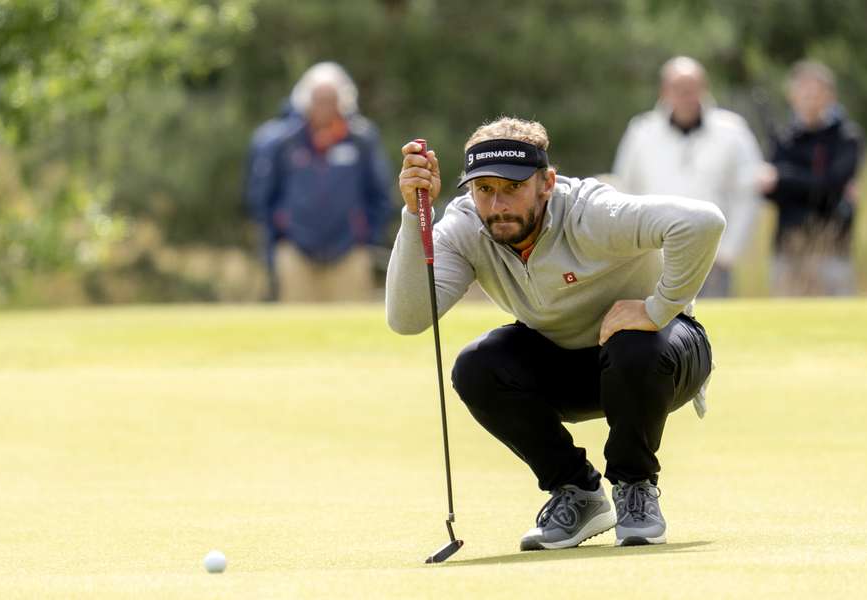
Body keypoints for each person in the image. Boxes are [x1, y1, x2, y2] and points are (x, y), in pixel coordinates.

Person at [387, 117, 724, 550]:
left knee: (634, 345)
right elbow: (408, 317)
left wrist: (657, 309)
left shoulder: (591, 212)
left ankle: (635, 487)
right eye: (484, 189)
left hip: (662, 357)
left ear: (546, 182)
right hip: (571, 365)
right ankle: (578, 493)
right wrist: (417, 217)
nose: (498, 205)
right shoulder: (468, 227)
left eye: (512, 188)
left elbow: (702, 222)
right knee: (477, 365)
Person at [613, 56, 764, 297]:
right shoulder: (641, 132)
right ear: (664, 91)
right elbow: (624, 192)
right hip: (653, 259)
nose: (686, 96)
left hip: (713, 260)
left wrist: (729, 252)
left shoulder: (733, 131)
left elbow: (747, 194)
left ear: (704, 89)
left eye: (692, 89)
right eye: (678, 89)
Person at [244, 62, 392, 302]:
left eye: (330, 99)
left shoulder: (361, 140)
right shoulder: (283, 142)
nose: (324, 107)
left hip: (349, 253)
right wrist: (279, 235)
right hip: (295, 253)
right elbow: (262, 196)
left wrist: (366, 236)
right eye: (318, 99)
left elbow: (380, 195)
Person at [759, 60, 864, 296]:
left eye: (815, 94)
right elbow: (768, 191)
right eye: (803, 93)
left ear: (830, 96)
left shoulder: (847, 138)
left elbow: (830, 186)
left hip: (834, 248)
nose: (809, 100)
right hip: (787, 247)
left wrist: (784, 179)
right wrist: (806, 182)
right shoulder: (784, 138)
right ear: (792, 96)